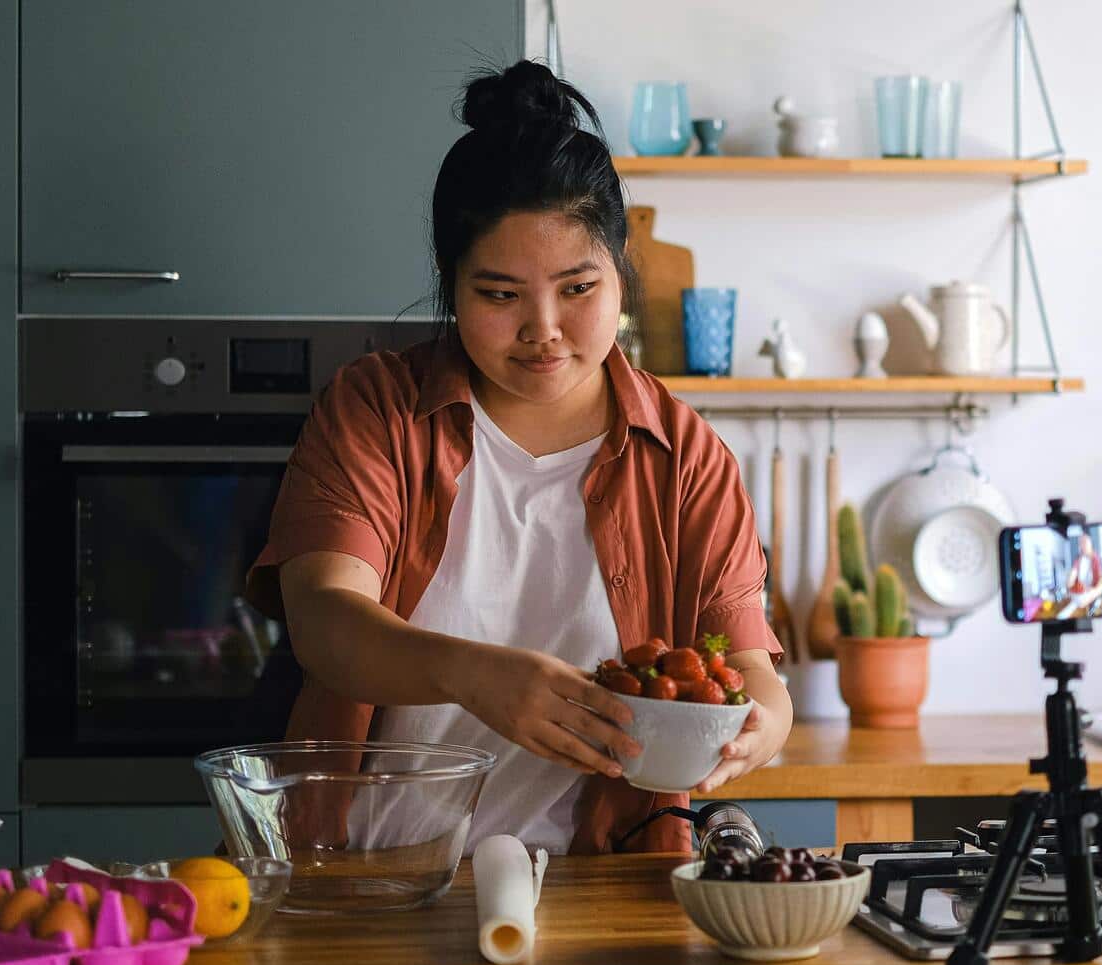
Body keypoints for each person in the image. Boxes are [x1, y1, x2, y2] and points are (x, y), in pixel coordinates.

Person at [242, 61, 792, 855]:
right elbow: (325, 621)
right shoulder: (375, 410)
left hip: (598, 891)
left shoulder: (686, 455)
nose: (544, 329)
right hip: (366, 879)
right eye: (500, 295)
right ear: (451, 285)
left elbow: (750, 669)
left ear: (620, 273)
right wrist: (475, 675)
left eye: (577, 288)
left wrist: (760, 729)